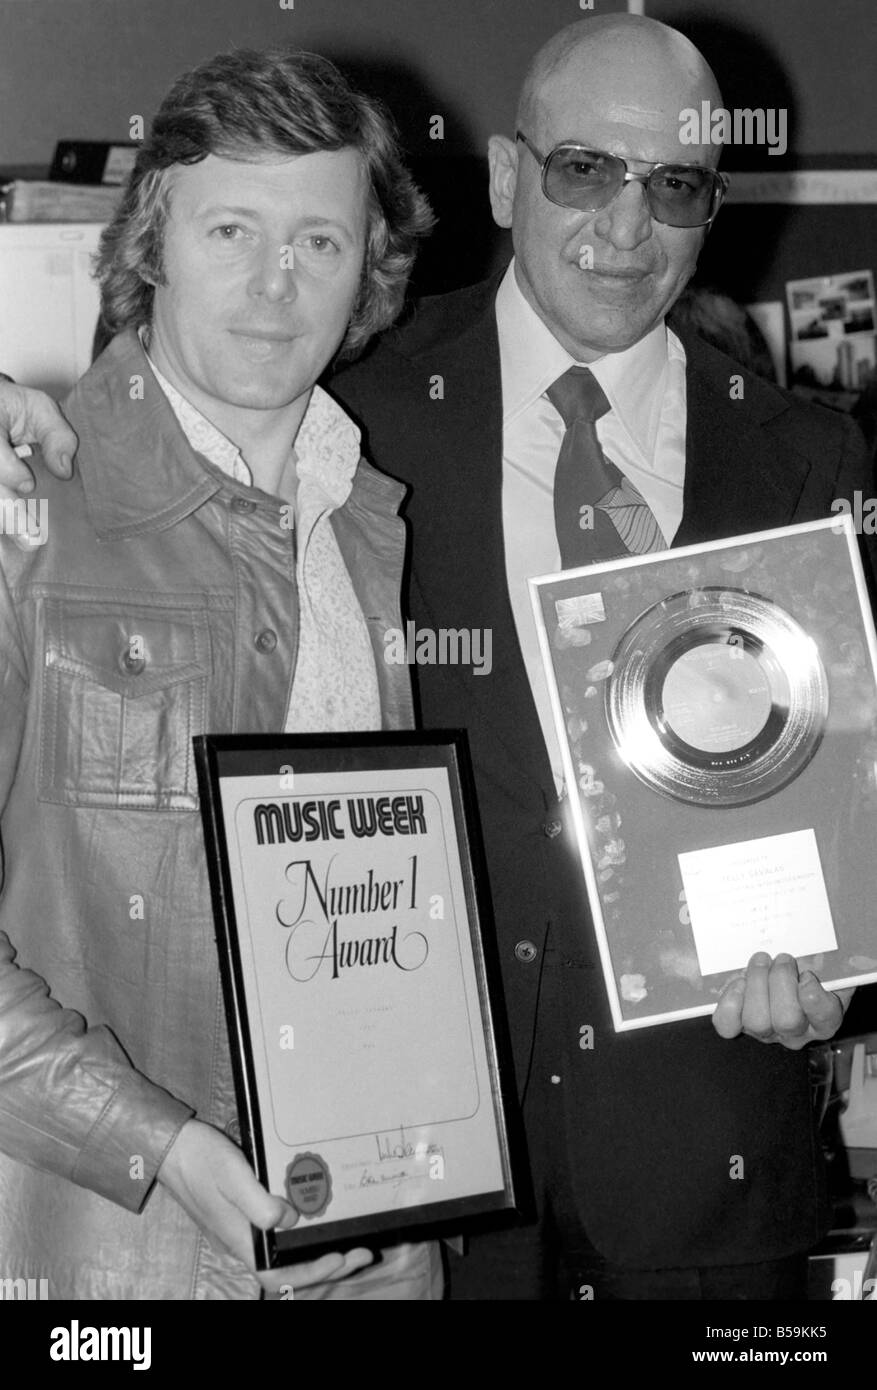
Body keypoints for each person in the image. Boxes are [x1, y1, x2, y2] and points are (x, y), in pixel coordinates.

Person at [1, 16, 871, 1301]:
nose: (625, 225)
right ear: (508, 177)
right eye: (583, 169)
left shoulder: (799, 460)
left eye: (672, 183)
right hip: (259, 1227)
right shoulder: (297, 430)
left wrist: (832, 980)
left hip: (614, 1196)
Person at [0, 46, 440, 1300]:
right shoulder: (27, 512)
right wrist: (165, 1149)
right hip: (101, 1267)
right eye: (231, 228)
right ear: (151, 243)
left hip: (371, 1239)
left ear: (371, 270)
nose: (273, 283)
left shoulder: (368, 525)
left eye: (320, 241)